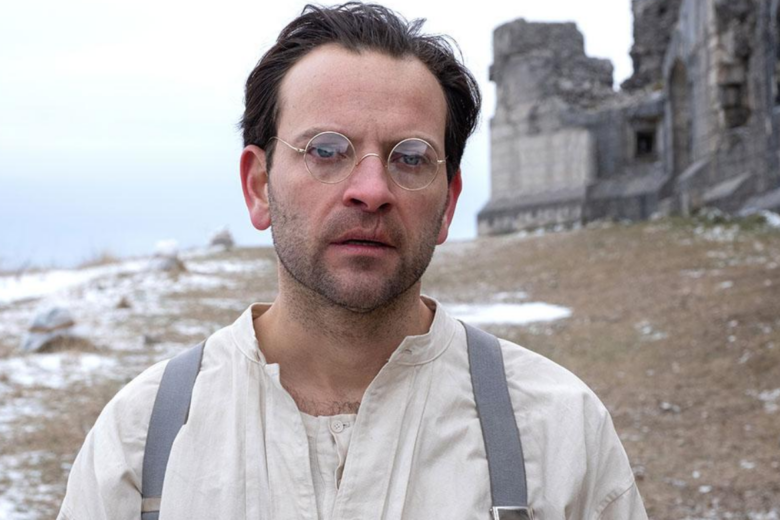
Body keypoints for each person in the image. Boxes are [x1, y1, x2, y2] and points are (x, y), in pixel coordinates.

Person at [58, 3, 648, 519]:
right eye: (326, 150)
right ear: (259, 186)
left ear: (448, 204)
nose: (371, 190)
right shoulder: (140, 441)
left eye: (410, 157)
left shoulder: (559, 432)